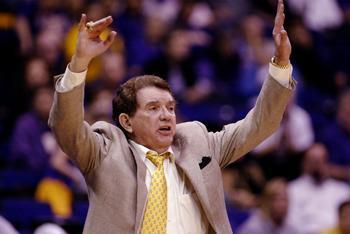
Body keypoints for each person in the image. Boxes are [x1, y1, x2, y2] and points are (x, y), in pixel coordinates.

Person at [49, 0, 295, 233]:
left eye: (170, 107)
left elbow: (261, 124)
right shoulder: (105, 150)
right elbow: (67, 128)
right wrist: (80, 63)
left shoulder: (198, 142)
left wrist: (281, 64)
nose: (166, 115)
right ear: (127, 121)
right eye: (154, 108)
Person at [287, 143, 350, 234]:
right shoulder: (292, 190)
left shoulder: (342, 191)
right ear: (304, 163)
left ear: (327, 162)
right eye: (313, 161)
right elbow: (291, 223)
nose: (317, 165)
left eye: (321, 160)